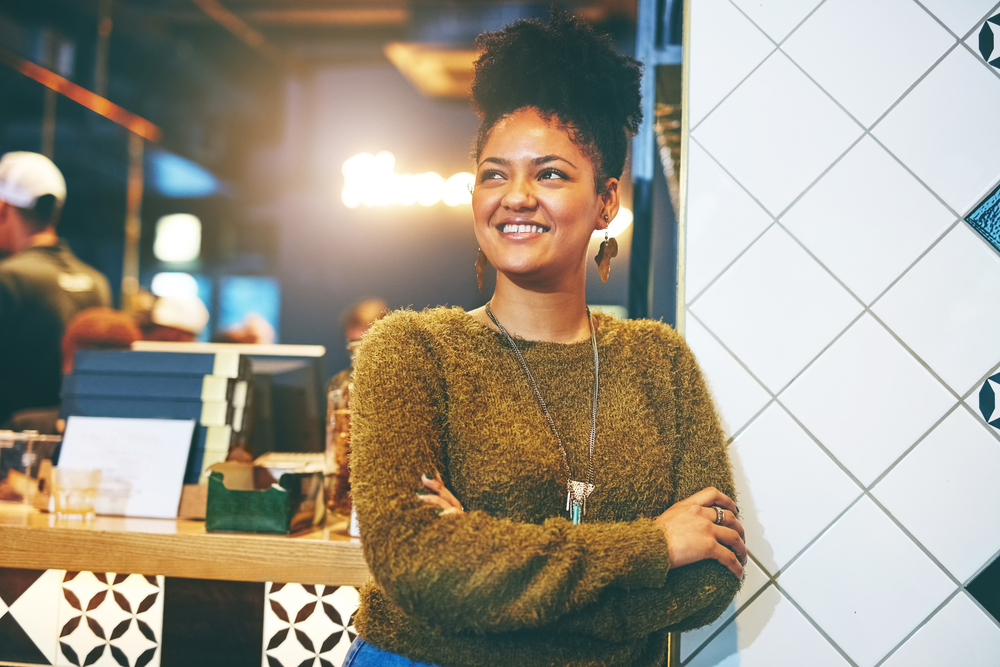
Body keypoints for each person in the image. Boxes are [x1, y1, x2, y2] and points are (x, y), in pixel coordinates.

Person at [346, 14, 746, 667]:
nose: (518, 197)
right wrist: (650, 546)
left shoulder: (658, 361)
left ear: (606, 200)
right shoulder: (411, 348)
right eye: (495, 174)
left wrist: (485, 565)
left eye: (552, 174)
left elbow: (708, 577)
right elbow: (418, 563)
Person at [0, 152, 111, 426]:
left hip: (10, 449)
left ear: (3, 207)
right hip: (74, 443)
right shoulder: (97, 283)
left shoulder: (9, 279)